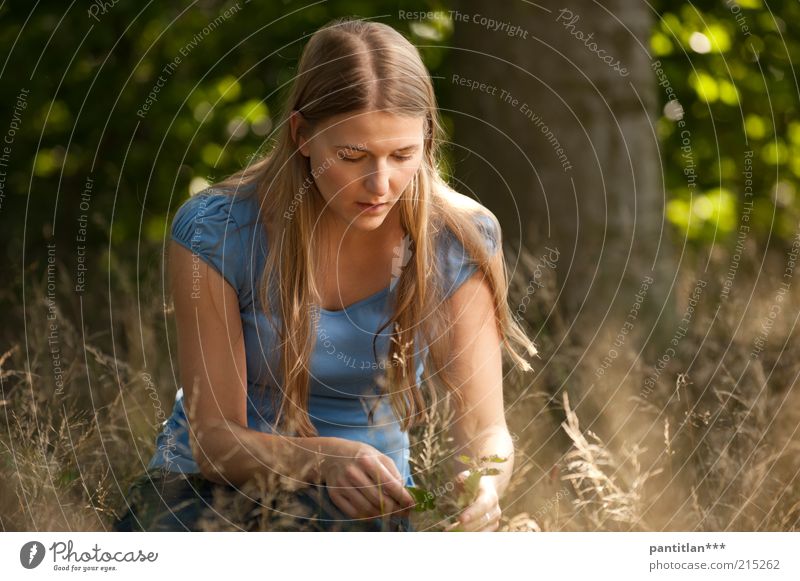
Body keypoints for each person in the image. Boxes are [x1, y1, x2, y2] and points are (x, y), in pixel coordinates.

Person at [113, 16, 537, 532]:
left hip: (366, 510)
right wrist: (323, 460)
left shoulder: (459, 238)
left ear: (427, 139)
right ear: (302, 135)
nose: (381, 183)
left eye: (403, 155)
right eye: (352, 156)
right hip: (203, 493)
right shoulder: (215, 230)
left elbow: (486, 430)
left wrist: (484, 484)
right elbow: (213, 440)